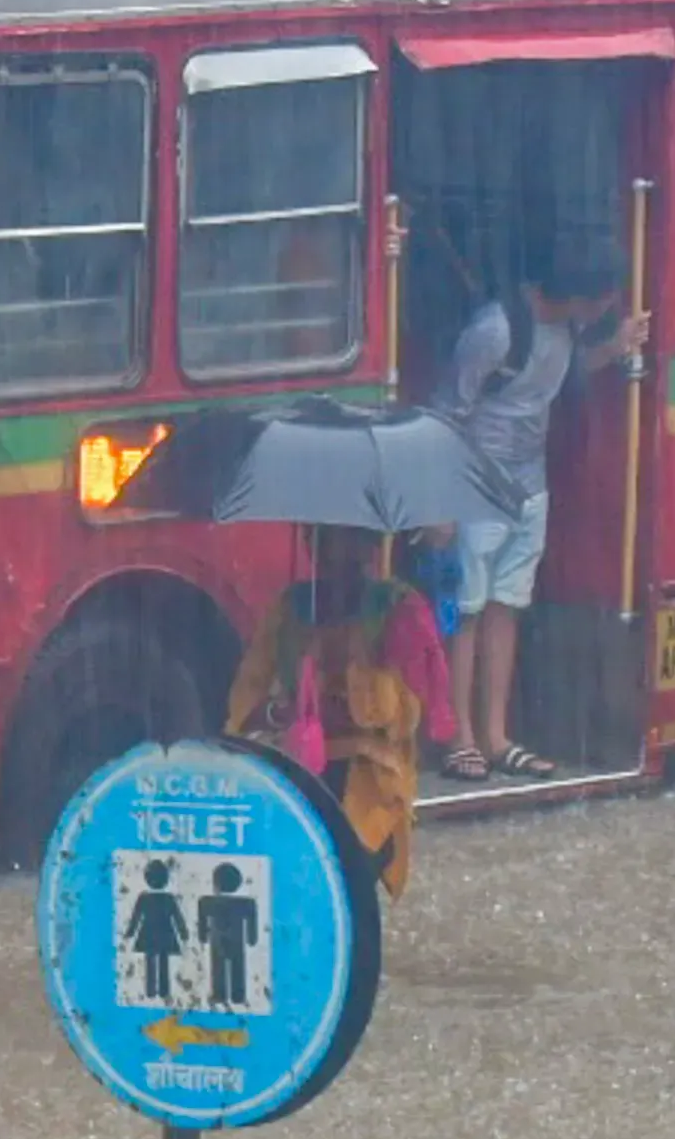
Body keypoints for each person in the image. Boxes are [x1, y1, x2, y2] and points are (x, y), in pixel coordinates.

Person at [428, 236, 647, 780]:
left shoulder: (564, 329)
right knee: (465, 615)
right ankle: (459, 737)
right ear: (582, 295)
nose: (605, 308)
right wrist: (439, 505)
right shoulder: (496, 331)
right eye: (604, 300)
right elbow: (445, 414)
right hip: (472, 490)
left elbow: (556, 382)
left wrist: (616, 347)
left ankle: (497, 737)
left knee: (506, 609)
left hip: (531, 489)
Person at [227, 523, 458, 893]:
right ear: (311, 545)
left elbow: (409, 714)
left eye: (353, 543)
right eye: (329, 542)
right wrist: (281, 712)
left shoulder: (398, 608)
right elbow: (246, 701)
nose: (341, 556)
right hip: (302, 767)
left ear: (369, 548)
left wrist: (356, 668)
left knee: (348, 880)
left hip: (371, 776)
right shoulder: (292, 608)